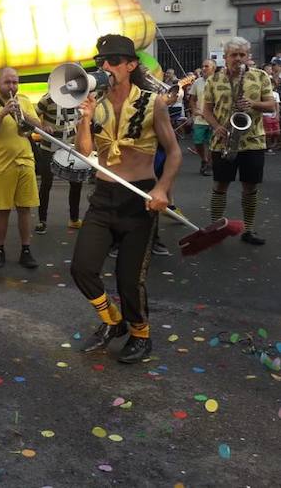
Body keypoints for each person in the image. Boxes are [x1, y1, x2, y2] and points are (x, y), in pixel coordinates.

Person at [71, 34, 181, 364]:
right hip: (104, 196)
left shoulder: (153, 103)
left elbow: (174, 152)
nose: (105, 67)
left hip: (139, 198)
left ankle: (140, 334)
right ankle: (112, 322)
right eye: (101, 62)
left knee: (129, 278)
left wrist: (161, 189)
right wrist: (85, 119)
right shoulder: (96, 103)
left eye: (113, 61)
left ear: (131, 65)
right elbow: (85, 151)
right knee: (82, 268)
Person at [201, 37, 276, 246]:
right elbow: (206, 110)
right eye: (234, 55)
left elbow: (272, 106)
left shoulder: (261, 77)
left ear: (249, 56)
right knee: (220, 185)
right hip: (223, 140)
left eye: (242, 54)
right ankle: (216, 228)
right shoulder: (214, 80)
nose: (238, 58)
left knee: (250, 187)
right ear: (225, 57)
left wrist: (252, 103)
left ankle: (249, 229)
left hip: (252, 141)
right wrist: (216, 126)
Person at [0, 68, 41, 270]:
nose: (12, 86)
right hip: (1, 163)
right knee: (2, 211)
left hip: (25, 161)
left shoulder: (24, 100)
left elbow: (37, 125)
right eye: (8, 82)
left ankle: (26, 250)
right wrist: (3, 112)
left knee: (25, 209)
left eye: (15, 82)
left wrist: (22, 114)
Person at [35, 91, 84, 233]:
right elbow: (32, 114)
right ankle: (42, 221)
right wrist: (42, 126)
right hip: (49, 146)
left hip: (71, 146)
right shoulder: (47, 99)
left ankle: (74, 219)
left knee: (76, 182)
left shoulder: (79, 97)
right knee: (46, 183)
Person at [189, 58, 217, 175]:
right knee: (198, 141)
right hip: (200, 118)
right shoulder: (197, 82)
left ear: (213, 69)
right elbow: (192, 99)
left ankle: (210, 164)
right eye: (203, 66)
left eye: (207, 66)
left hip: (215, 119)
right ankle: (204, 160)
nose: (203, 69)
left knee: (212, 143)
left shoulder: (219, 82)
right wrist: (194, 109)